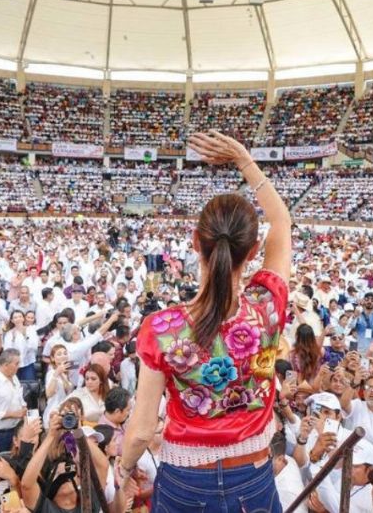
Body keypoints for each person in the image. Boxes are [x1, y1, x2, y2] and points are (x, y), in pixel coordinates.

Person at [117, 131, 292, 513]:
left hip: (184, 479)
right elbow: (281, 219)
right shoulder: (268, 306)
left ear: (195, 242)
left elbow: (143, 429)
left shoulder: (162, 328)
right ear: (254, 250)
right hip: (254, 473)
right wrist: (244, 160)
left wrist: (125, 466)